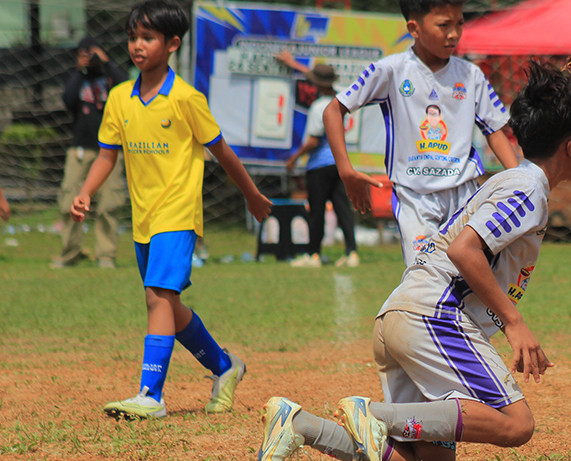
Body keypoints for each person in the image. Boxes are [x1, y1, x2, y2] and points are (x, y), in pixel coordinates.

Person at [257, 61, 571, 461]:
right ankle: (373, 414)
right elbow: (464, 250)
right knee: (516, 423)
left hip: (400, 316)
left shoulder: (513, 182)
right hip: (431, 316)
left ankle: (301, 425)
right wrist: (515, 323)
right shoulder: (528, 188)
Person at [71, 0, 272, 419]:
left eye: (147, 37)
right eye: (132, 37)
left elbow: (222, 151)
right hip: (143, 219)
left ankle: (151, 395)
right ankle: (225, 366)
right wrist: (87, 190)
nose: (137, 45)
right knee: (169, 306)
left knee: (157, 296)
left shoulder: (185, 98)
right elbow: (107, 155)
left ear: (173, 43)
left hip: (178, 214)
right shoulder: (120, 98)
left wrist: (251, 195)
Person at [323, 0, 520, 266]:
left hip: (464, 194)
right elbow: (333, 111)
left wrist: (520, 185)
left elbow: (494, 130)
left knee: (473, 274)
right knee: (424, 275)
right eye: (443, 25)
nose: (453, 33)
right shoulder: (390, 70)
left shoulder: (471, 75)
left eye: (459, 23)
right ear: (414, 29)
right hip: (414, 197)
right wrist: (346, 171)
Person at [275, 52, 360, 269]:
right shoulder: (341, 98)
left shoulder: (318, 107)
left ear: (315, 85)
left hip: (319, 166)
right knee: (343, 208)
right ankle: (351, 252)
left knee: (317, 211)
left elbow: (313, 140)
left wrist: (293, 158)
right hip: (339, 163)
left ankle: (313, 254)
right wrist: (293, 63)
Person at [51, 36, 129, 270]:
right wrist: (80, 70)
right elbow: (67, 100)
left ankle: (106, 255)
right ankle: (70, 253)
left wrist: (107, 63)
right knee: (70, 202)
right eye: (83, 53)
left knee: (109, 203)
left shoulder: (112, 77)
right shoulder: (79, 77)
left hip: (111, 150)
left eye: (91, 53)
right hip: (80, 148)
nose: (89, 57)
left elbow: (128, 88)